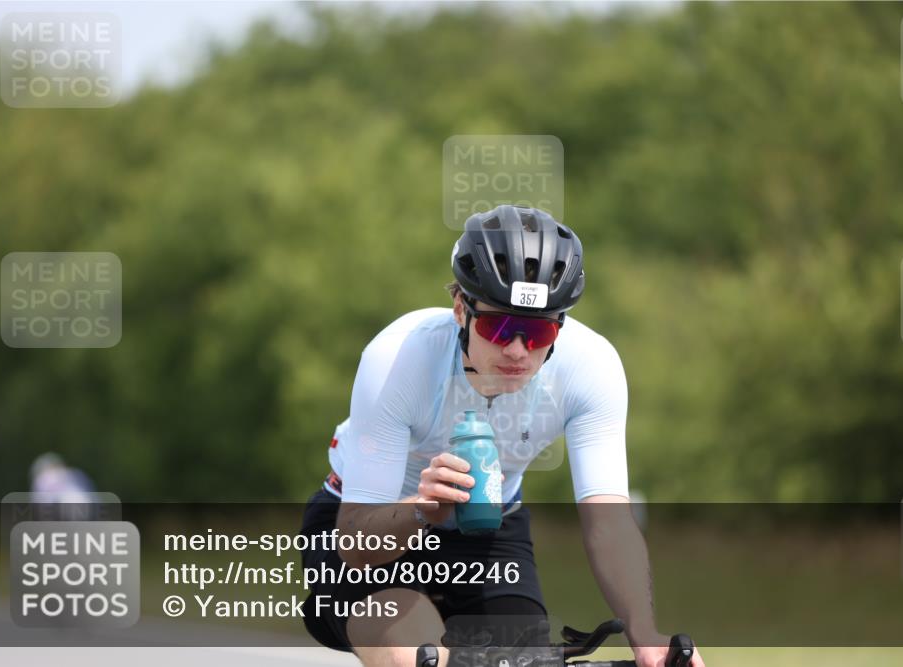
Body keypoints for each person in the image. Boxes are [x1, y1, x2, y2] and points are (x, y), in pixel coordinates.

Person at [298, 205, 705, 667]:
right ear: (460, 310)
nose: (517, 350)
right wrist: (421, 509)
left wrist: (644, 634)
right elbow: (354, 543)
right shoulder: (398, 357)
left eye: (537, 330)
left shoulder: (591, 367)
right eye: (499, 326)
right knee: (413, 650)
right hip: (373, 526)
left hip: (491, 527)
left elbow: (608, 523)